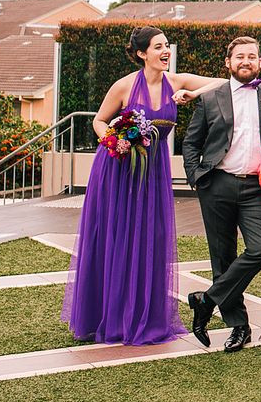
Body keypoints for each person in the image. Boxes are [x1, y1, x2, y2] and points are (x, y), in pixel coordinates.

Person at [62, 26, 225, 345]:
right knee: (117, 238)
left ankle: (142, 315)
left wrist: (193, 94)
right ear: (141, 53)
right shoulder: (123, 86)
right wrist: (114, 140)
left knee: (147, 239)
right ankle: (110, 316)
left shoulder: (176, 82)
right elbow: (98, 120)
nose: (166, 51)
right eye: (158, 47)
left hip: (153, 170)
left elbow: (224, 84)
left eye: (167, 46)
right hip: (117, 169)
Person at [181, 36, 261, 353]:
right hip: (217, 184)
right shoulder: (211, 96)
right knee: (222, 258)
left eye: (252, 56)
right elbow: (191, 141)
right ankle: (239, 327)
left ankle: (206, 300)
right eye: (239, 56)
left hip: (257, 187)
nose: (246, 61)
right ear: (228, 62)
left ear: (259, 62)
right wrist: (196, 176)